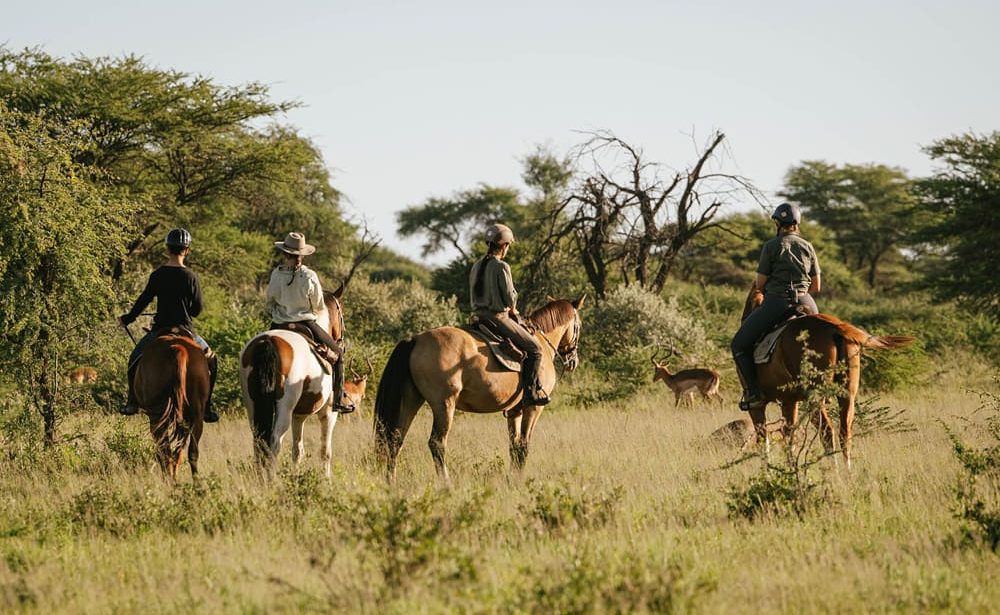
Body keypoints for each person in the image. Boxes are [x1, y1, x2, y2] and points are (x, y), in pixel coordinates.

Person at [119, 228, 219, 422]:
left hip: (160, 330)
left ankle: (132, 401)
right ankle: (207, 405)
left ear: (168, 249)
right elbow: (197, 309)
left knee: (134, 359)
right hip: (185, 330)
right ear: (187, 250)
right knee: (213, 361)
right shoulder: (191, 277)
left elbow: (142, 302)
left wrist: (128, 319)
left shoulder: (157, 275)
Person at [731, 202, 821, 411]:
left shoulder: (771, 246)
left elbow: (760, 285)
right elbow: (816, 286)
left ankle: (753, 393)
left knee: (739, 345)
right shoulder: (808, 246)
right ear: (797, 224)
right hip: (806, 301)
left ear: (778, 223)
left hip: (777, 302)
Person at [267, 232, 355, 414]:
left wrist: (282, 311)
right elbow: (318, 305)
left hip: (278, 324)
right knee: (338, 354)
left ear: (285, 254)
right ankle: (338, 399)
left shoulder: (276, 274)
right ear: (302, 255)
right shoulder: (309, 275)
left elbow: (270, 301)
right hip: (306, 324)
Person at [469, 223, 550, 406]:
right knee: (536, 350)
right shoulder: (502, 266)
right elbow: (509, 296)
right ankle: (530, 395)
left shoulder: (476, 266)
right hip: (498, 318)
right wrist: (513, 307)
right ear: (504, 245)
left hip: (477, 317)